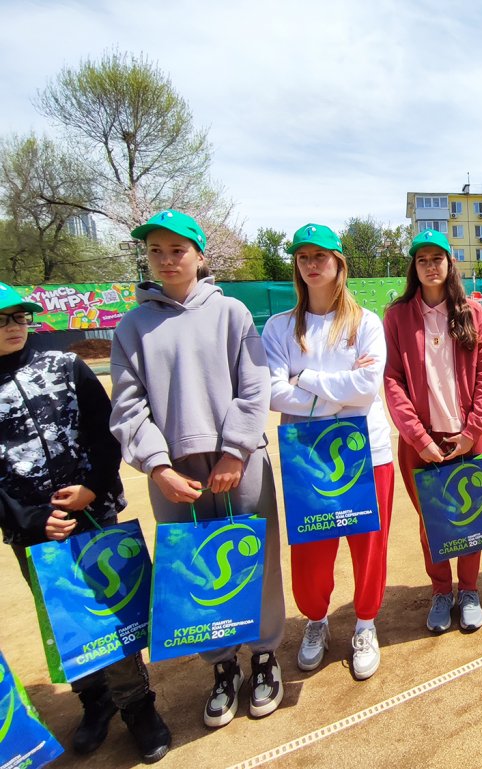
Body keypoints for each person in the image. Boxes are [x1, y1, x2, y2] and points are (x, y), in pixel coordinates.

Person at [109, 210, 285, 729]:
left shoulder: (232, 313)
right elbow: (127, 406)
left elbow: (255, 388)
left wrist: (235, 451)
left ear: (199, 256)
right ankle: (221, 666)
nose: (166, 260)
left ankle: (264, 656)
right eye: (156, 251)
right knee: (196, 570)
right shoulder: (132, 325)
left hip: (241, 464)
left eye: (177, 250)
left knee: (258, 562)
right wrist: (156, 466)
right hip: (173, 476)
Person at [0, 283, 171, 763]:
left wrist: (94, 488)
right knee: (68, 618)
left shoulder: (65, 367)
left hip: (94, 515)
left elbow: (107, 432)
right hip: (33, 533)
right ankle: (94, 703)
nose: (13, 327)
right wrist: (32, 518)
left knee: (114, 614)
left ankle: (138, 707)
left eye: (19, 317)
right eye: (2, 320)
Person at [262, 223, 394, 680]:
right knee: (312, 550)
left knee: (368, 546)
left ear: (340, 263)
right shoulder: (279, 327)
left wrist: (309, 381)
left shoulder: (367, 323)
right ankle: (316, 622)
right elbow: (273, 394)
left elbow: (368, 387)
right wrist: (343, 395)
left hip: (366, 451)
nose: (312, 265)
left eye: (322, 256)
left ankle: (365, 623)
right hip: (307, 455)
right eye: (304, 257)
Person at [383, 230, 482, 632]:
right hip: (422, 442)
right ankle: (440, 591)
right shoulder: (396, 316)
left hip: (468, 437)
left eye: (437, 258)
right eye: (422, 260)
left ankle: (468, 590)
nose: (430, 266)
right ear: (414, 268)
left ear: (450, 263)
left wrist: (472, 429)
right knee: (432, 521)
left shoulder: (473, 313)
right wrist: (419, 438)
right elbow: (393, 381)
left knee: (471, 516)